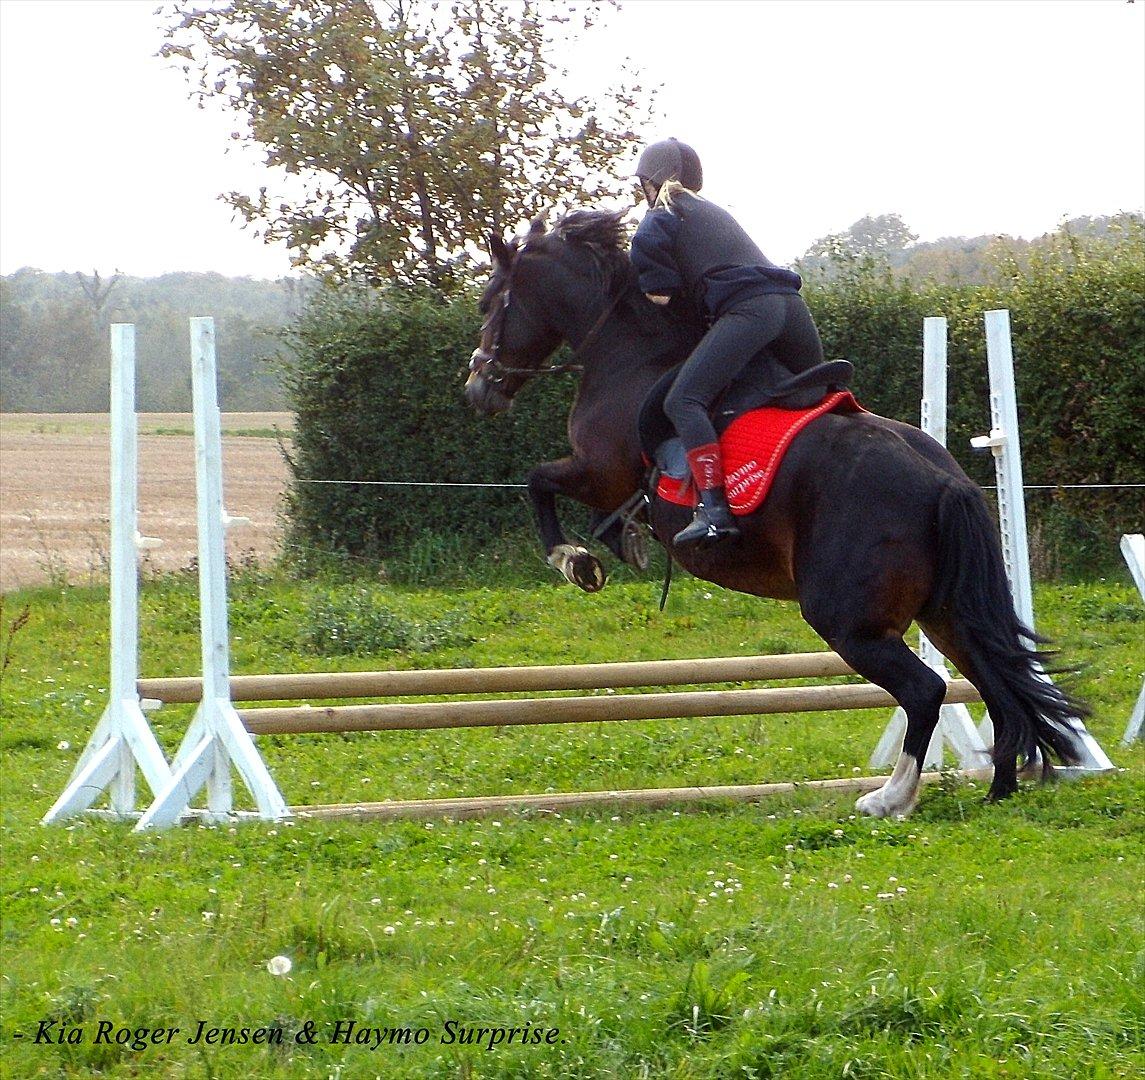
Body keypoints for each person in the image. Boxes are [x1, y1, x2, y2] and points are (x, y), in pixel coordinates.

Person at [631, 138, 825, 550]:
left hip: (749, 312)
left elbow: (662, 298)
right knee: (814, 391)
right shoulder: (714, 212)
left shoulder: (658, 218)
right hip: (790, 309)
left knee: (683, 401)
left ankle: (715, 513)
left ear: (650, 183)